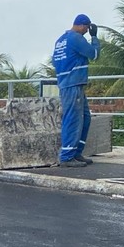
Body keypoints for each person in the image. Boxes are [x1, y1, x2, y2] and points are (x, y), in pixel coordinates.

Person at [52, 13, 101, 167]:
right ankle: (67, 156)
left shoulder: (61, 40)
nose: (87, 31)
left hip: (67, 83)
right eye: (86, 28)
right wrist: (94, 38)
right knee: (73, 119)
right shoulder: (76, 38)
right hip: (73, 84)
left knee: (85, 118)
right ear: (81, 25)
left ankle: (76, 152)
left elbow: (55, 60)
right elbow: (94, 54)